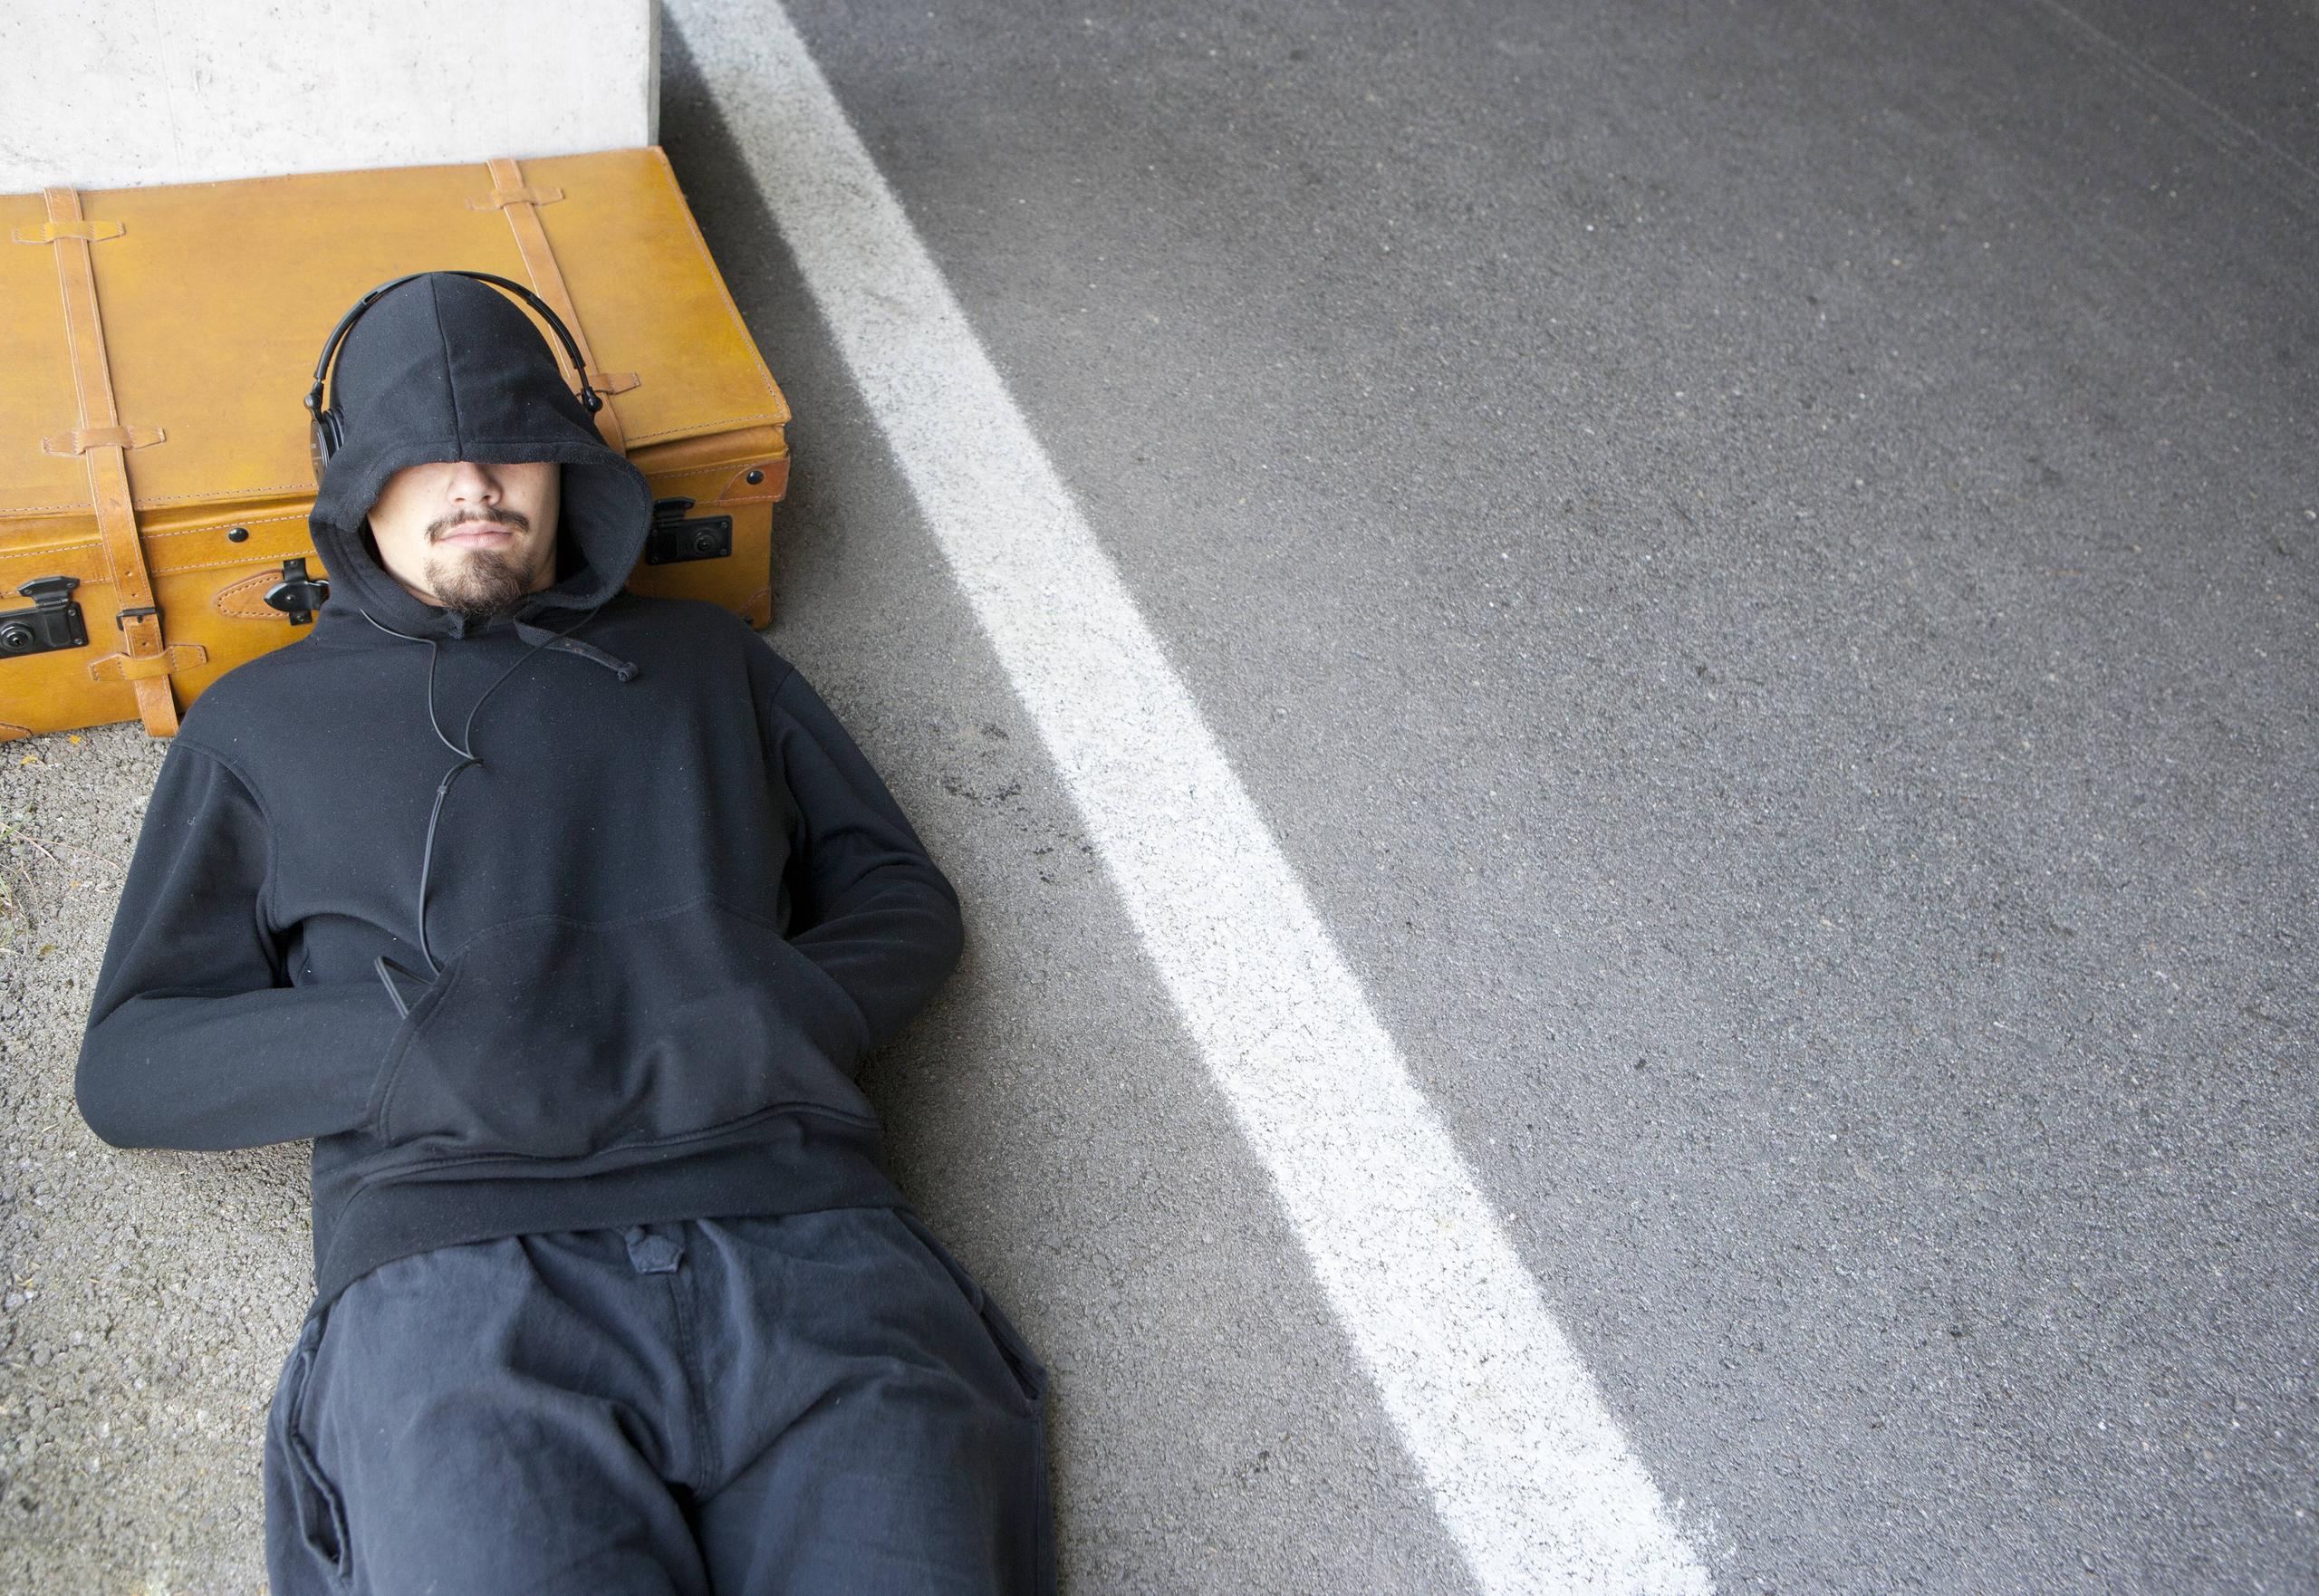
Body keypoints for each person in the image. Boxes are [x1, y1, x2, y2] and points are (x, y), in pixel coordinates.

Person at [72, 272, 1053, 1594]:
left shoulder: (711, 662)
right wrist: (415, 1042)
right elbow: (132, 1062)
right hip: (461, 1288)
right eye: (424, 449)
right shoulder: (255, 729)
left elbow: (901, 896)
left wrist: (774, 1001)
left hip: (806, 1239)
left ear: (570, 461)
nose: (473, 480)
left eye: (510, 443)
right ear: (355, 480)